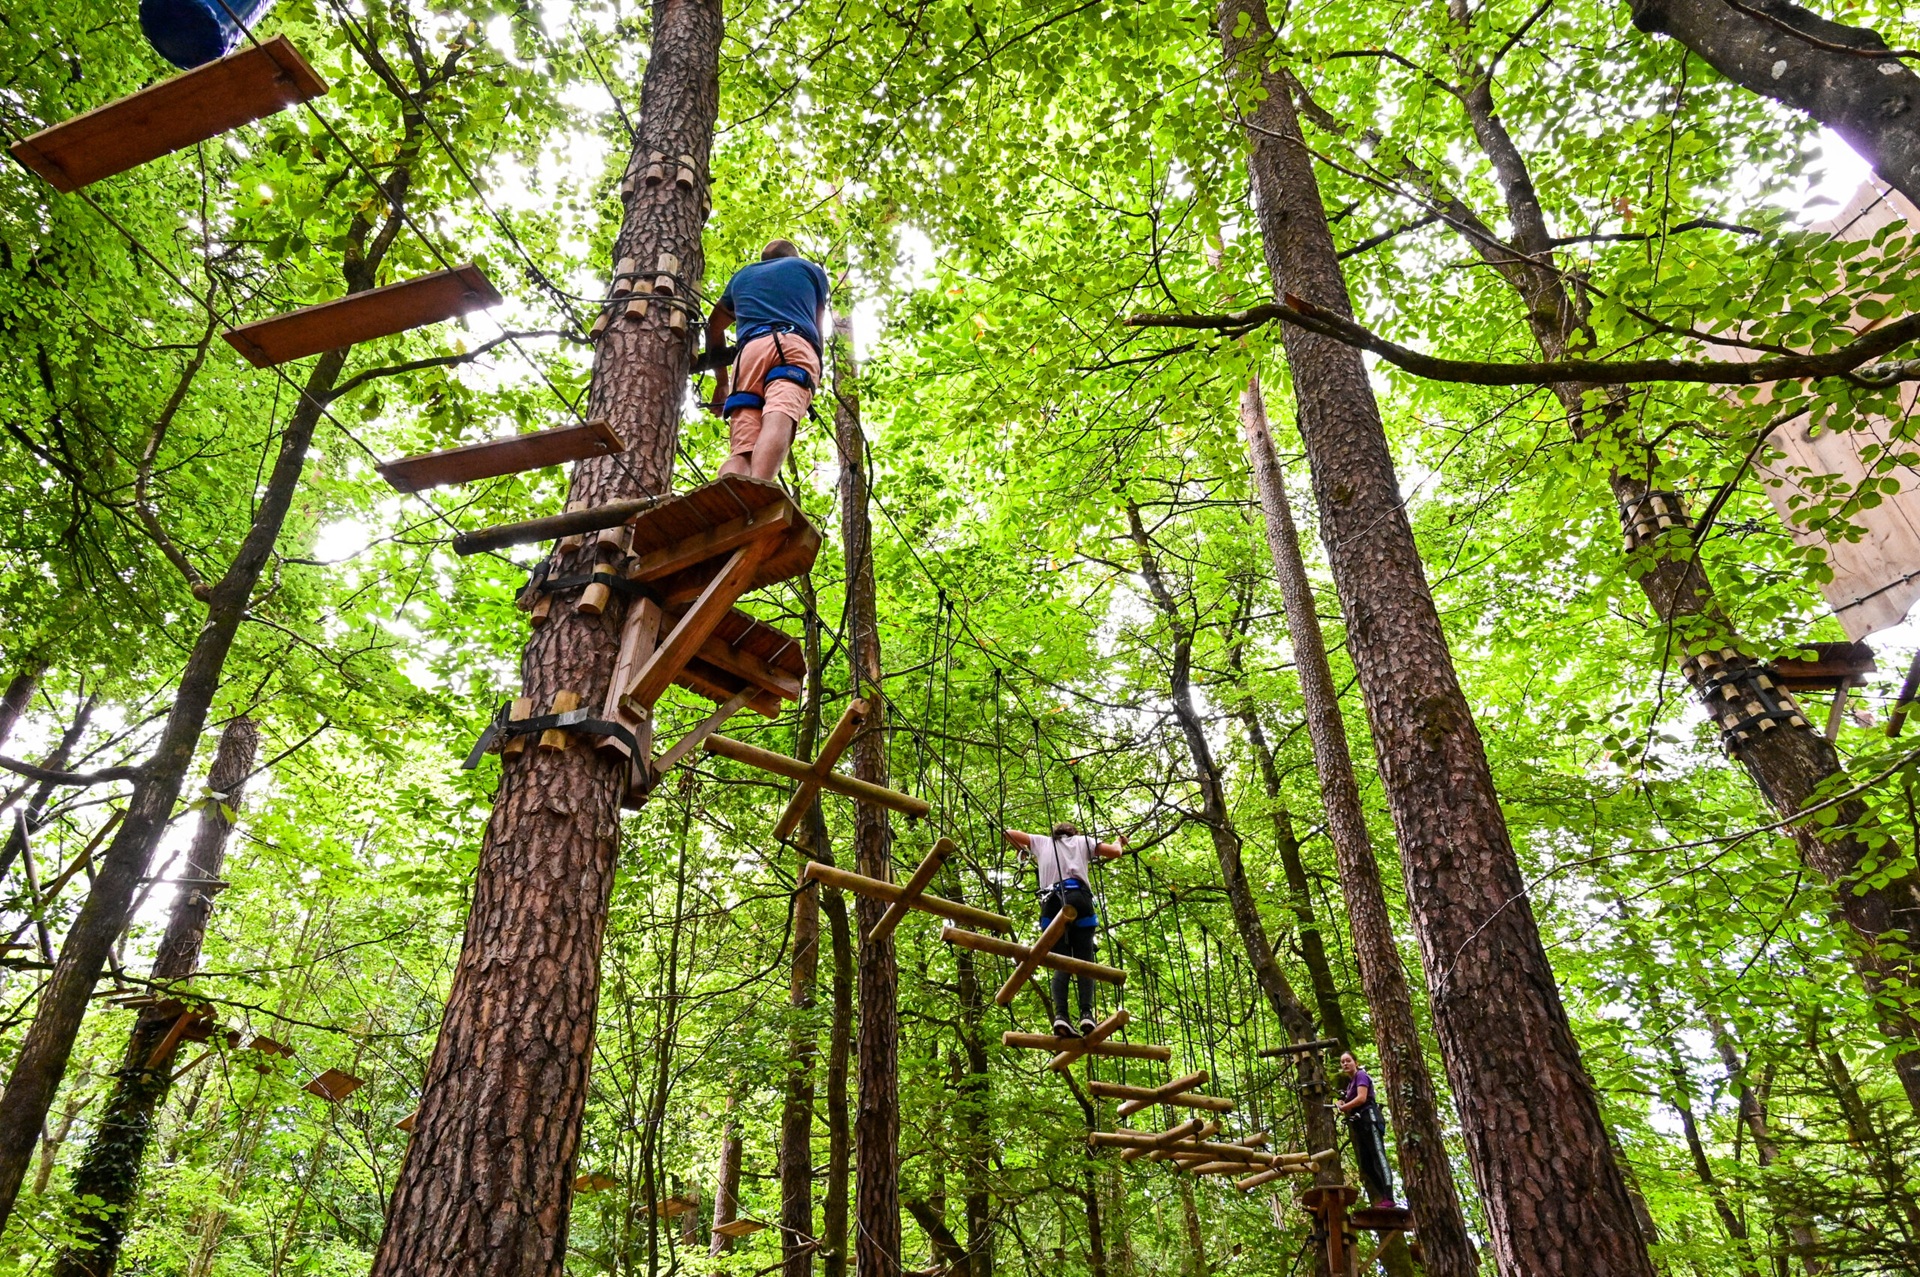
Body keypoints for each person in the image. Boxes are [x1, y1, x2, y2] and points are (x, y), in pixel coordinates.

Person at [704, 240, 831, 481]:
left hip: (750, 354)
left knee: (742, 450)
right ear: (793, 255)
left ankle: (731, 501)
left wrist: (722, 382)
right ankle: (758, 488)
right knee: (779, 412)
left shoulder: (742, 277)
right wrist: (818, 364)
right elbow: (818, 322)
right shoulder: (809, 271)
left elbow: (713, 328)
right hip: (794, 346)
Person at [1003, 821, 1125, 1037]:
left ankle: (1061, 1017)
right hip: (1079, 899)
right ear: (1073, 833)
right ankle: (1087, 1014)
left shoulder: (1041, 842)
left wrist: (1023, 850)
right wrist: (1119, 841)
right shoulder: (1083, 841)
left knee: (1061, 963)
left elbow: (1008, 832)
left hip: (1051, 904)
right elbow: (1115, 852)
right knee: (1084, 963)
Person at [1336, 1050, 1396, 1208]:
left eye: (1348, 1060)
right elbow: (1349, 1100)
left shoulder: (1361, 1075)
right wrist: (1341, 1102)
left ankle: (1389, 1196)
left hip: (1370, 1119)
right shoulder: (1350, 1084)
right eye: (1342, 1062)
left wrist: (1344, 1107)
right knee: (1367, 1165)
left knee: (1378, 1155)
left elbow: (1362, 1097)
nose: (1345, 1064)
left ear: (1355, 1062)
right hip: (1360, 1124)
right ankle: (1383, 1195)